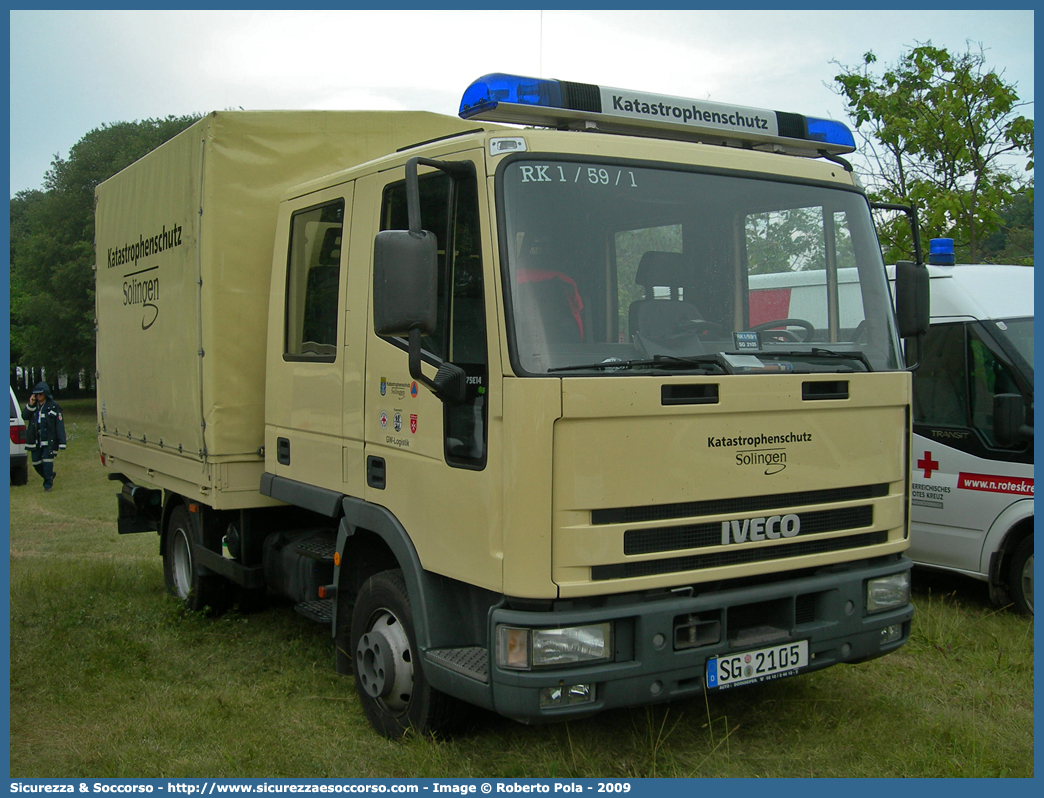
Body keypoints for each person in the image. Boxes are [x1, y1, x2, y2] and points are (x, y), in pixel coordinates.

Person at [22, 381, 66, 491]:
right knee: (36, 462)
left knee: (47, 462)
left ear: (45, 393)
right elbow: (24, 416)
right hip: (35, 441)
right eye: (36, 394)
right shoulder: (33, 406)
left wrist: (62, 442)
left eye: (40, 394)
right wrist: (30, 404)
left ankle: (48, 485)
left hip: (49, 441)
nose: (38, 396)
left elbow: (59, 425)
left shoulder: (54, 406)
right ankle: (49, 475)